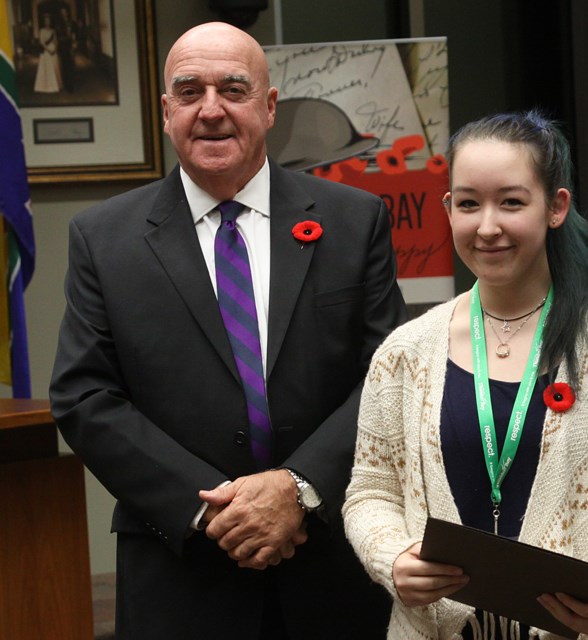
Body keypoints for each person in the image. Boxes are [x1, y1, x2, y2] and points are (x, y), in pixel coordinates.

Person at [49, 22, 406, 639]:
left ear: (268, 107)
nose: (210, 110)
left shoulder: (354, 221)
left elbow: (390, 375)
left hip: (329, 568)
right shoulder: (103, 239)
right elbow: (83, 395)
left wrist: (298, 489)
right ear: (166, 112)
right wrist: (211, 510)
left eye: (233, 89)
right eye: (189, 91)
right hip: (181, 571)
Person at [342, 111, 588, 639]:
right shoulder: (404, 355)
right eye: (469, 203)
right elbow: (370, 492)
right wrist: (391, 559)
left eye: (511, 202)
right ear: (447, 208)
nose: (487, 226)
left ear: (556, 207)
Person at [33, 12, 62, 94]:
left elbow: (56, 41)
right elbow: (41, 42)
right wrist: (49, 50)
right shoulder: (42, 30)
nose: (47, 22)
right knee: (48, 69)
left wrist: (55, 49)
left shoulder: (53, 31)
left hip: (53, 51)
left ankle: (56, 85)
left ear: (50, 21)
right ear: (44, 22)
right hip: (46, 52)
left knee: (55, 67)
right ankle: (48, 86)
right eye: (46, 21)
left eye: (48, 21)